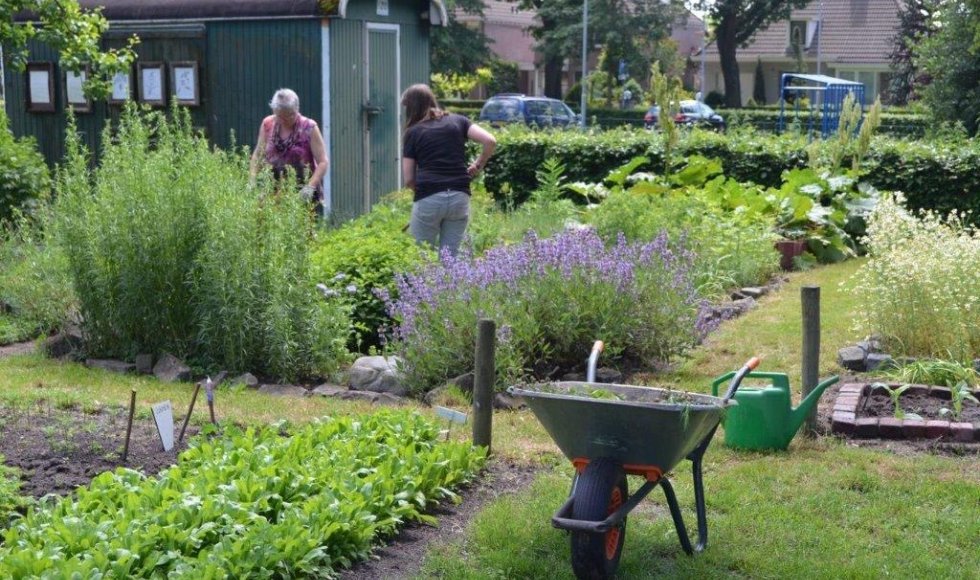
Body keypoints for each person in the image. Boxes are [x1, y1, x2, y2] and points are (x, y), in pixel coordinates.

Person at [400, 83, 496, 256]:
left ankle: (420, 284)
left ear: (411, 108)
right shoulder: (459, 120)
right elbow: (490, 140)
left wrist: (425, 192)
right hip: (459, 196)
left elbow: (408, 179)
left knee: (420, 257)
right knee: (451, 259)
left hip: (429, 197)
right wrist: (477, 165)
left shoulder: (413, 132)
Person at [250, 88, 329, 214]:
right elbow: (257, 155)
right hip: (271, 191)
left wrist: (309, 187)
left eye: (284, 117)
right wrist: (252, 179)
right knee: (266, 229)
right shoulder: (267, 124)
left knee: (301, 231)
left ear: (295, 112)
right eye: (278, 115)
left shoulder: (309, 128)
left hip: (300, 194)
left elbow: (323, 162)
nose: (280, 120)